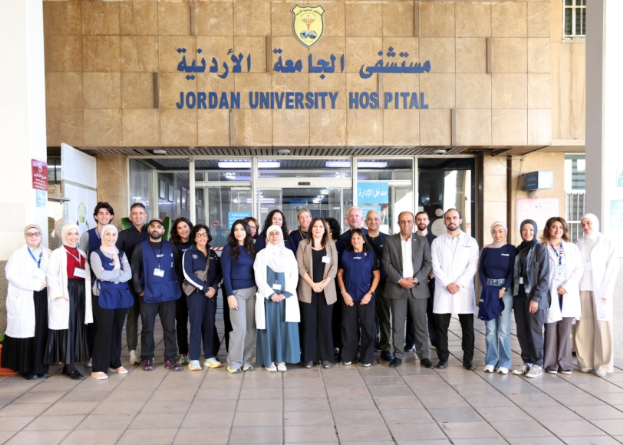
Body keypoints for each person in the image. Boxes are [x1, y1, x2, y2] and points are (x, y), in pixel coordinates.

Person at [382, 212, 433, 369]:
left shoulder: (422, 241)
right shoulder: (390, 240)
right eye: (403, 221)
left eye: (409, 221)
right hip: (397, 287)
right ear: (398, 223)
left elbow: (428, 263)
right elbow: (386, 263)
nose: (406, 224)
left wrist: (416, 279)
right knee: (397, 324)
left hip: (418, 287)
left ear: (413, 223)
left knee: (420, 324)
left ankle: (423, 355)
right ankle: (398, 355)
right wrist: (400, 280)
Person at [131, 218, 182, 372]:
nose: (155, 229)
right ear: (148, 229)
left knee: (170, 328)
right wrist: (139, 289)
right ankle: (147, 357)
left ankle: (170, 358)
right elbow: (134, 269)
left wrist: (176, 287)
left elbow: (178, 269)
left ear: (163, 230)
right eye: (152, 226)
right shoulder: (141, 247)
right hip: (148, 293)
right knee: (147, 328)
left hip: (168, 293)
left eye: (159, 227)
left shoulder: (170, 246)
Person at [431, 209, 479, 370]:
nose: (451, 221)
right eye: (448, 218)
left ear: (460, 221)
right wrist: (447, 283)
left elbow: (472, 266)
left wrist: (458, 284)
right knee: (441, 328)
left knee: (467, 328)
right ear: (444, 221)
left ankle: (468, 360)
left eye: (454, 218)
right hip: (443, 289)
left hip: (463, 290)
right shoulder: (437, 242)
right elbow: (435, 266)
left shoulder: (471, 241)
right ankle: (443, 358)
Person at [45, 223, 93, 380]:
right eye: (70, 234)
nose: (74, 237)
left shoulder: (82, 253)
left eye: (76, 234)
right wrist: (58, 294)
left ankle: (69, 364)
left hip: (80, 293)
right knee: (68, 329)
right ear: (64, 236)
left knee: (78, 327)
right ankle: (69, 366)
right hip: (66, 293)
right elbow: (51, 275)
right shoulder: (57, 254)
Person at [2, 224, 51, 380]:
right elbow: (11, 275)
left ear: (41, 235)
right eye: (30, 234)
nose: (33, 236)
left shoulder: (48, 253)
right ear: (25, 236)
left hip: (43, 296)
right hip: (25, 295)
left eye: (36, 233)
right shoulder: (18, 254)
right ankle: (27, 369)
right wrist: (34, 284)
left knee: (41, 331)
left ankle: (40, 367)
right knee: (27, 333)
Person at [575, 213, 619, 377]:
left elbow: (612, 268)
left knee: (602, 326)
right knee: (583, 325)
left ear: (596, 223)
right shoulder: (578, 243)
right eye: (583, 224)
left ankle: (603, 365)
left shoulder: (607, 242)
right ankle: (585, 362)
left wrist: (606, 291)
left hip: (600, 290)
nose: (586, 226)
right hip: (582, 288)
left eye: (589, 223)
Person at [254, 225, 300, 371]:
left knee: (284, 328)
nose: (274, 236)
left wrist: (284, 294)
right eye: (272, 234)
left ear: (281, 236)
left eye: (277, 233)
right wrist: (271, 294)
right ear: (268, 237)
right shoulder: (261, 254)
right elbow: (258, 277)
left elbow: (294, 274)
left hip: (285, 298)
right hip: (268, 299)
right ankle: (269, 361)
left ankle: (281, 360)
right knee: (269, 329)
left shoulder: (289, 254)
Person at [90, 224, 133, 380]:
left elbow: (128, 274)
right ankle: (98, 368)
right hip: (103, 295)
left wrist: (112, 274)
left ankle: (114, 362)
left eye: (114, 234)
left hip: (120, 295)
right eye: (107, 234)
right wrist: (118, 273)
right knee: (104, 330)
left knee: (116, 329)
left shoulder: (121, 254)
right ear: (103, 236)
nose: (111, 237)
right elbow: (100, 275)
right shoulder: (95, 254)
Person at [541, 217, 583, 375]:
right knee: (550, 328)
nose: (557, 230)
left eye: (560, 227)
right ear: (548, 229)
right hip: (549, 291)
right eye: (554, 227)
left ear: (564, 229)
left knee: (564, 330)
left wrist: (566, 287)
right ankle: (550, 363)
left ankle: (564, 363)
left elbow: (578, 269)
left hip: (566, 292)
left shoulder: (572, 248)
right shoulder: (542, 247)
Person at [296, 217, 338, 369]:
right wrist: (313, 284)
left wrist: (324, 284)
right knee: (309, 324)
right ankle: (309, 357)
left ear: (325, 229)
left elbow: (334, 267)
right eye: (315, 226)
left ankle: (325, 357)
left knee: (325, 324)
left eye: (321, 226)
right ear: (311, 229)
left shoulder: (331, 244)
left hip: (326, 290)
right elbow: (300, 267)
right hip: (308, 289)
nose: (318, 229)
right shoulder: (303, 244)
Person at [512, 219, 550, 378]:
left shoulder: (541, 250)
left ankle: (538, 364)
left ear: (535, 231)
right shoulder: (518, 249)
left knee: (535, 331)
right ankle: (527, 362)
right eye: (524, 229)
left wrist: (535, 298)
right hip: (519, 296)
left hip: (534, 298)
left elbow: (545, 278)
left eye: (531, 230)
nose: (528, 233)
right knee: (521, 331)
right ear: (521, 231)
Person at [182, 224, 223, 371]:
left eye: (204, 234)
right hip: (196, 294)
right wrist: (205, 288)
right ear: (194, 237)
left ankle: (209, 356)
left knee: (209, 324)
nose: (202, 237)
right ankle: (194, 358)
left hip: (211, 294)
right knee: (196, 324)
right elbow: (187, 274)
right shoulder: (189, 253)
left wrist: (214, 288)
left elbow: (219, 274)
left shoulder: (213, 254)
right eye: (199, 234)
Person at [79, 202, 115, 368]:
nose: (104, 216)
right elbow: (81, 259)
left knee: (107, 323)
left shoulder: (114, 234)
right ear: (95, 216)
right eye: (101, 213)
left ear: (111, 216)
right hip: (92, 284)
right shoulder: (87, 236)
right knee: (92, 321)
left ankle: (107, 356)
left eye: (107, 213)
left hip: (111, 285)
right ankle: (90, 355)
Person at [337, 229, 380, 367]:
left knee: (368, 327)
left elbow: (377, 275)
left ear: (363, 240)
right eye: (353, 238)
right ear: (350, 240)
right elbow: (339, 275)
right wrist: (344, 293)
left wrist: (370, 293)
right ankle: (348, 356)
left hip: (366, 297)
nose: (356, 240)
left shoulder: (371, 254)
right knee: (348, 327)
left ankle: (366, 358)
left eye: (358, 238)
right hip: (348, 297)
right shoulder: (345, 253)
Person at [478, 222, 516, 374]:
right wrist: (486, 288)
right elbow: (481, 270)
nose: (497, 234)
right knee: (490, 329)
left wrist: (504, 288)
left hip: (504, 290)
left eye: (500, 231)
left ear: (505, 232)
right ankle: (491, 361)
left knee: (503, 329)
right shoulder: (486, 249)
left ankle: (505, 363)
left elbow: (512, 271)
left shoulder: (511, 249)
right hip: (488, 288)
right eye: (494, 231)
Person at [222, 220, 257, 373]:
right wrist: (230, 295)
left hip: (252, 291)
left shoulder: (251, 248)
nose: (239, 232)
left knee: (251, 329)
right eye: (236, 229)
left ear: (247, 231)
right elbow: (225, 274)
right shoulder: (228, 249)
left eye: (242, 229)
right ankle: (234, 362)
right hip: (237, 293)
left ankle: (245, 360)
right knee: (240, 328)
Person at [116, 202, 148, 365]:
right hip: (129, 283)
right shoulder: (123, 236)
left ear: (145, 216)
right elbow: (115, 258)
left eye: (141, 213)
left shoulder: (152, 233)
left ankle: (147, 352)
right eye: (135, 213)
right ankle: (133, 352)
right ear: (130, 216)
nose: (138, 216)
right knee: (132, 317)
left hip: (149, 283)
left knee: (148, 318)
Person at [365, 210, 392, 362]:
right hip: (364, 285)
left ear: (381, 221)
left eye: (376, 219)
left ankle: (385, 347)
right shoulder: (360, 239)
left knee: (384, 316)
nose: (373, 221)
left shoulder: (388, 240)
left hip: (383, 284)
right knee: (367, 317)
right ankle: (369, 345)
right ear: (366, 222)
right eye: (370, 219)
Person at [408, 211, 438, 351]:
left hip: (431, 281)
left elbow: (437, 261)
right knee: (412, 313)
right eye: (419, 219)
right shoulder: (409, 239)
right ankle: (410, 342)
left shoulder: (435, 240)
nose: (421, 222)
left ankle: (435, 341)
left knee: (432, 312)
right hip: (413, 282)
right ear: (415, 222)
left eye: (424, 219)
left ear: (428, 222)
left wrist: (429, 276)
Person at [170, 217, 194, 365]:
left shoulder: (196, 243)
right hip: (179, 289)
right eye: (179, 228)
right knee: (181, 322)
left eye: (185, 226)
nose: (183, 230)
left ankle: (201, 351)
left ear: (190, 227)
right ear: (176, 231)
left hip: (195, 288)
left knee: (198, 321)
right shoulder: (172, 246)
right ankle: (183, 352)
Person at [326, 217, 346, 359]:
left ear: (333, 229)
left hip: (339, 284)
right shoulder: (320, 244)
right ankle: (329, 345)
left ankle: (339, 345)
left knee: (339, 315)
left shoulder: (342, 244)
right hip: (325, 285)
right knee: (328, 316)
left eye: (327, 227)